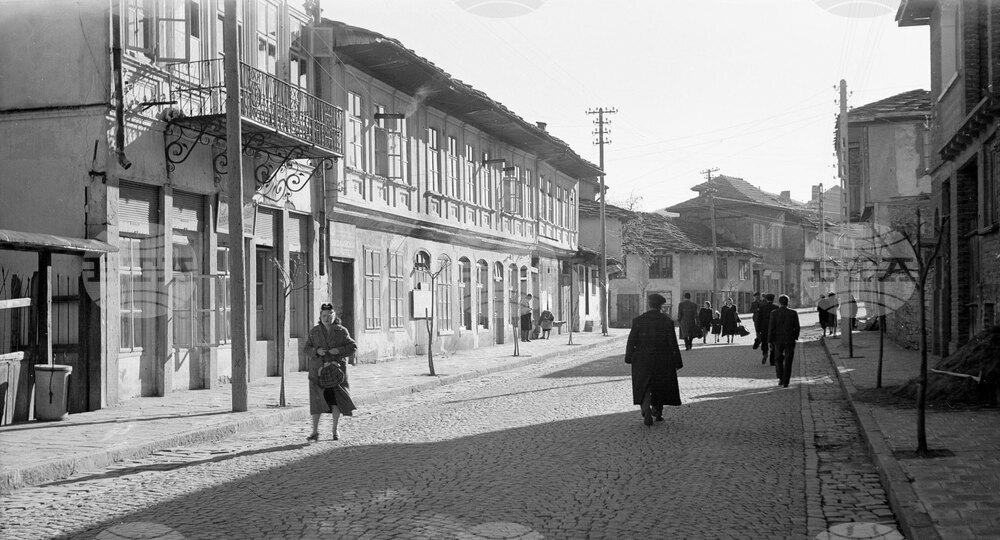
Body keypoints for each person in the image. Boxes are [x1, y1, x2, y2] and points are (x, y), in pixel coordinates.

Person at [624, 293, 683, 426]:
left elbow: (631, 340)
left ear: (648, 304)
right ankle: (658, 412)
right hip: (662, 359)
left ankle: (646, 409)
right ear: (661, 306)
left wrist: (628, 356)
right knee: (660, 385)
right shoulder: (667, 321)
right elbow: (672, 343)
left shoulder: (638, 320)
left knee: (644, 385)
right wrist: (677, 362)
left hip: (642, 359)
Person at [304, 303, 358, 442]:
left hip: (336, 372)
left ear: (334, 316)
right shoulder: (314, 331)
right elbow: (306, 349)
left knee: (335, 401)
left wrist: (339, 350)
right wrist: (316, 351)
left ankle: (335, 430)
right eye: (324, 316)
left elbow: (352, 347)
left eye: (329, 316)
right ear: (320, 317)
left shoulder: (341, 331)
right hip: (318, 373)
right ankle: (315, 431)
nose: (327, 319)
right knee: (317, 402)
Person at [767, 294, 801, 388]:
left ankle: (781, 378)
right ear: (788, 303)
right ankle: (786, 381)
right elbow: (797, 327)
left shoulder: (774, 313)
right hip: (789, 339)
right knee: (788, 361)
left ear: (779, 302)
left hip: (778, 340)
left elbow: (771, 327)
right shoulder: (793, 313)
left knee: (778, 359)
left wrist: (769, 340)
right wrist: (795, 337)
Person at [756, 293, 778, 365]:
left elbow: (758, 319)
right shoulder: (776, 307)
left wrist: (757, 330)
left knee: (764, 342)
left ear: (766, 299)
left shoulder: (762, 307)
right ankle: (772, 360)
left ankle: (765, 353)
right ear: (773, 299)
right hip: (774, 328)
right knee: (773, 343)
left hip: (764, 328)